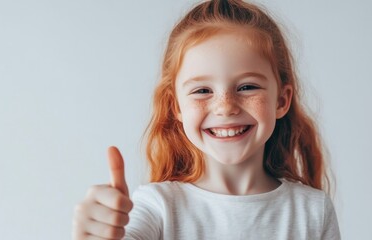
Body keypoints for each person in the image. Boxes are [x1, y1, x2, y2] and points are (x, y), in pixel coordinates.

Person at [72, 0, 341, 239]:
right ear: (176, 105)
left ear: (281, 101)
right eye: (202, 91)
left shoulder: (313, 211)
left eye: (247, 87)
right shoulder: (159, 207)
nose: (225, 108)